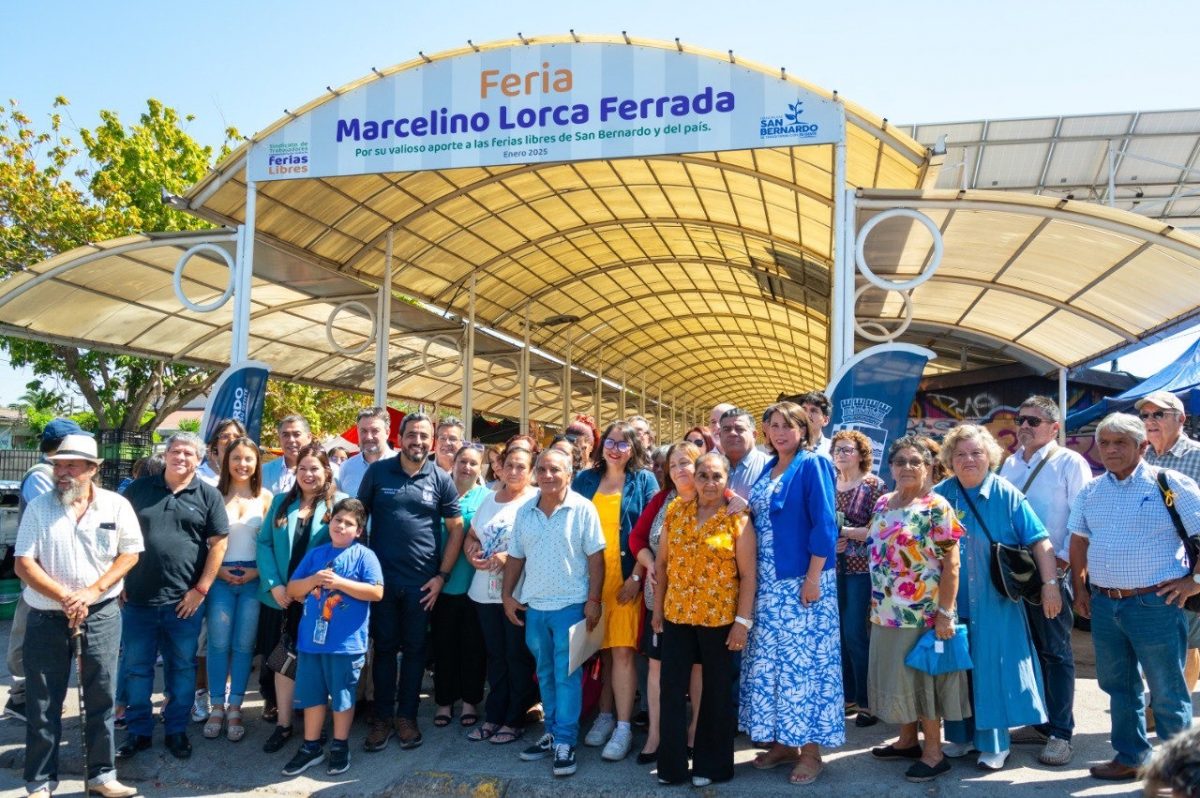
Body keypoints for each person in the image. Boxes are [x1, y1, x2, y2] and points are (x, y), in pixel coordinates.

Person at [1069, 412, 1200, 781]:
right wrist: (1080, 590)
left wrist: (1195, 582)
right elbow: (1078, 540)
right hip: (1105, 603)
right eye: (1105, 443)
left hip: (1155, 605)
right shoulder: (1092, 490)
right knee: (1118, 684)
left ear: (1142, 446)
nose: (1110, 450)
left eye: (1120, 443)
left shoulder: (1169, 484)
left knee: (1167, 690)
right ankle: (1131, 756)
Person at [14, 433, 143, 798]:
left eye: (71, 464)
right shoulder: (40, 506)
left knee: (101, 694)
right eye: (58, 464)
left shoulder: (116, 505)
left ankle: (102, 776)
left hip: (100, 612)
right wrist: (66, 596)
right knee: (43, 701)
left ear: (92, 468)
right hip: (46, 615)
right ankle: (40, 781)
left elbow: (130, 554)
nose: (62, 471)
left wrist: (90, 592)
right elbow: (23, 563)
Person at [935, 423, 1060, 771]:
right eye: (960, 454)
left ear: (989, 455)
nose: (969, 459)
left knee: (994, 667)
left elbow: (1039, 540)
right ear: (950, 460)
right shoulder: (941, 494)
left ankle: (994, 743)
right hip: (952, 600)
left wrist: (1050, 584)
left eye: (976, 452)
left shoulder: (1006, 494)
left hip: (996, 601)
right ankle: (959, 737)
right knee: (956, 668)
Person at [739, 401, 842, 785]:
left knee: (806, 669)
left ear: (803, 430)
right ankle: (785, 742)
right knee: (774, 668)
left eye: (788, 426)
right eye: (774, 425)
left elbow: (825, 524)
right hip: (768, 585)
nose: (780, 432)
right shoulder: (769, 468)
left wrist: (813, 579)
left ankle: (811, 752)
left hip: (802, 582)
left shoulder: (813, 463)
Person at [119, 432, 229, 762]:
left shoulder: (208, 495)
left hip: (185, 603)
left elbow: (219, 545)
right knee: (137, 669)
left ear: (199, 460)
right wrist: (118, 578)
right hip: (138, 599)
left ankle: (176, 731)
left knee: (181, 669)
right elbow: (117, 535)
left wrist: (201, 589)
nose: (181, 457)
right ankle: (138, 732)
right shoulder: (139, 490)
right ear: (165, 455)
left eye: (188, 454)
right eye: (175, 451)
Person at [358, 412, 463, 752]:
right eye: (412, 435)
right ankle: (382, 718)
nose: (417, 442)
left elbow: (456, 529)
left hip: (422, 586)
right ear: (399, 437)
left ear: (431, 442)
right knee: (385, 650)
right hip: (382, 583)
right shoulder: (377, 472)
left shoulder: (441, 478)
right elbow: (359, 520)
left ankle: (407, 717)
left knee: (416, 651)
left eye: (424, 436)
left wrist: (441, 577)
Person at [865, 436, 968, 783]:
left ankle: (934, 753)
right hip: (885, 610)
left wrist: (945, 613)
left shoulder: (937, 507)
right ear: (890, 467)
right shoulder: (881, 503)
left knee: (924, 681)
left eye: (915, 461)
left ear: (927, 467)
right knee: (899, 678)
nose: (906, 467)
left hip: (921, 613)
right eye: (900, 461)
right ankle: (908, 741)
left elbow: (951, 566)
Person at [652, 452, 757, 787]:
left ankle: (712, 766)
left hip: (719, 619)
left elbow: (749, 576)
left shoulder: (737, 519)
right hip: (677, 614)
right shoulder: (675, 511)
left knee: (716, 692)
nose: (710, 483)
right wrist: (657, 613)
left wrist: (742, 621)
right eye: (703, 476)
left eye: (717, 477)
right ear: (693, 479)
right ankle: (671, 767)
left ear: (727, 481)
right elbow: (663, 564)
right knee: (670, 690)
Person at [998, 396, 1093, 765]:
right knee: (1029, 649)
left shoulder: (1070, 461)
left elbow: (1082, 519)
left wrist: (1065, 567)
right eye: (1020, 419)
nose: (1024, 425)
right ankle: (1040, 721)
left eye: (1033, 421)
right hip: (1015, 575)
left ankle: (1061, 733)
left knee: (1055, 652)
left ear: (1054, 428)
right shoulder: (1009, 463)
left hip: (1055, 574)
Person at [502, 448, 606, 778]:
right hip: (535, 607)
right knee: (544, 672)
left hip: (571, 606)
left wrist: (593, 600)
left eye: (555, 470)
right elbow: (515, 556)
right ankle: (551, 732)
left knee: (567, 675)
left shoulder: (583, 509)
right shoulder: (525, 512)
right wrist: (507, 595)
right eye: (543, 469)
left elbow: (596, 559)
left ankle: (565, 741)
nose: (548, 475)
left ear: (569, 474)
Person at [572, 420, 659, 761]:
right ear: (601, 443)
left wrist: (636, 577)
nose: (616, 449)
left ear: (635, 448)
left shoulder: (644, 480)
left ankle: (623, 726)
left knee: (622, 652)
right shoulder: (585, 479)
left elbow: (650, 531)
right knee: (601, 650)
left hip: (625, 577)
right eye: (611, 441)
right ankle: (605, 716)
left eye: (624, 444)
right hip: (590, 578)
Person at [280, 498, 383, 777]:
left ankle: (340, 745)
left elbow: (376, 592)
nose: (341, 526)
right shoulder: (316, 554)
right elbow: (293, 588)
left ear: (359, 531)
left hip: (346, 644)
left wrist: (339, 583)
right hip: (311, 642)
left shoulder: (364, 556)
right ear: (330, 522)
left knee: (342, 696)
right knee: (312, 696)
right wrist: (314, 579)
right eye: (338, 520)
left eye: (349, 523)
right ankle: (311, 746)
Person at [256, 444, 346, 754]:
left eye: (315, 469)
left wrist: (312, 587)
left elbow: (345, 549)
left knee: (313, 663)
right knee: (283, 661)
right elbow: (264, 544)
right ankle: (283, 724)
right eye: (303, 468)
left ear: (327, 472)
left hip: (318, 600)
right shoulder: (281, 502)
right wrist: (274, 585)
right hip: (281, 598)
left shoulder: (340, 504)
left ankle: (314, 726)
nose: (308, 474)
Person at [5, 417, 85, 725]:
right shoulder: (41, 476)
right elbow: (58, 515)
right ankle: (21, 698)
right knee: (27, 636)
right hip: (40, 574)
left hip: (56, 574)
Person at [464, 442, 539, 744]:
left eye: (522, 466)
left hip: (518, 592)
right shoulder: (490, 499)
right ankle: (495, 715)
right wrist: (472, 553)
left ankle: (515, 718)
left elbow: (541, 543)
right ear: (499, 467)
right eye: (510, 464)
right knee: (495, 657)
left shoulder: (535, 499)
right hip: (484, 593)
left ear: (532, 471)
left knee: (516, 656)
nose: (514, 471)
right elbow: (473, 534)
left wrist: (508, 557)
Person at [203, 436, 272, 743]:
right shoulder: (212, 495)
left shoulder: (267, 498)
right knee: (218, 644)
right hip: (219, 579)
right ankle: (216, 705)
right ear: (225, 461)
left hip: (252, 579)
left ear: (257, 463)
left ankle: (235, 707)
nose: (242, 464)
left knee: (244, 646)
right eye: (236, 458)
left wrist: (256, 571)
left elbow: (271, 545)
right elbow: (202, 541)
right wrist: (217, 571)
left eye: (248, 459)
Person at [1136, 390, 1200, 700]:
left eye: (1158, 414)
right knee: (1155, 642)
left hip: (1188, 569)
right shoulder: (1141, 457)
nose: (1150, 421)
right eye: (1145, 415)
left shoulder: (1197, 456)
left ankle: (1176, 716)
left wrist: (1197, 580)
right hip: (1148, 571)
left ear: (1181, 418)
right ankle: (1162, 704)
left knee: (1187, 641)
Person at [430, 444, 489, 731]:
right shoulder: (438, 492)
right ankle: (443, 701)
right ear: (453, 463)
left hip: (474, 586)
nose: (467, 467)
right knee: (443, 646)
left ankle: (469, 701)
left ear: (481, 468)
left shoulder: (487, 498)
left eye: (473, 463)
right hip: (440, 585)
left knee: (472, 647)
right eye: (462, 461)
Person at [831, 429, 886, 727]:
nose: (841, 454)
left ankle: (868, 700)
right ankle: (849, 694)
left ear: (861, 453)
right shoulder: (830, 484)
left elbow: (879, 529)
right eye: (837, 449)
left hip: (861, 569)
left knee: (855, 632)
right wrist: (832, 540)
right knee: (838, 634)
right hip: (832, 567)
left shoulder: (874, 485)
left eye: (847, 449)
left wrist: (846, 533)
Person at [337, 407, 396, 497]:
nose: (368, 437)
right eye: (363, 431)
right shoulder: (346, 467)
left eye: (375, 431)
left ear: (387, 433)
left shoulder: (403, 466)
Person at [719, 408, 769, 500]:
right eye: (727, 429)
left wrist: (747, 507)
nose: (732, 433)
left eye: (739, 429)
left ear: (754, 435)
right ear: (720, 435)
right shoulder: (711, 468)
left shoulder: (770, 467)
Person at [262, 415, 314, 495]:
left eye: (296, 434)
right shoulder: (263, 471)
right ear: (279, 439)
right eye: (285, 435)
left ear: (309, 437)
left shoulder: (326, 470)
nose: (291, 440)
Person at [196, 418, 247, 486]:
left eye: (237, 437)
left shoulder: (245, 476)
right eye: (225, 436)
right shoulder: (198, 477)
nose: (231, 441)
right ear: (215, 443)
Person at [799, 391, 834, 459]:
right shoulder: (788, 446)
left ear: (825, 421)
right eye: (804, 410)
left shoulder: (834, 449)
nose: (807, 415)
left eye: (813, 411)